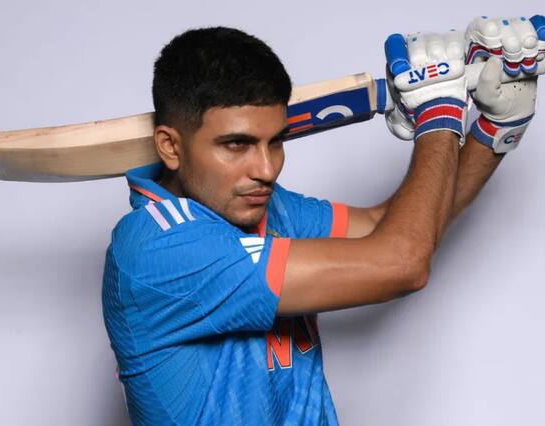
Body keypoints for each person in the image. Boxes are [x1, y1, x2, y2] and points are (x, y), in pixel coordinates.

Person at [101, 17, 541, 425]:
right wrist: (438, 116)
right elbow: (402, 262)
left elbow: (394, 226)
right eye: (237, 144)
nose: (267, 170)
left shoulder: (263, 205)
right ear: (170, 147)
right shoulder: (157, 249)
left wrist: (495, 131)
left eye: (276, 142)